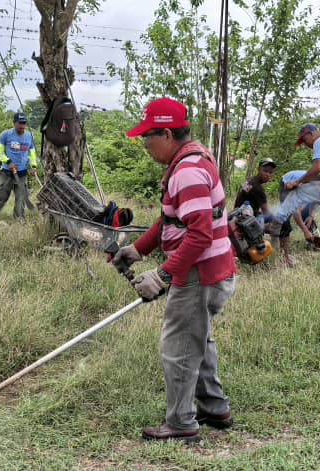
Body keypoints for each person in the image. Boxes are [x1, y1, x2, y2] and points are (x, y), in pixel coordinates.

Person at [110, 97, 238, 443]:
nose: (145, 145)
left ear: (166, 133)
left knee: (179, 345)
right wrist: (137, 250)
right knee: (199, 338)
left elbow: (199, 234)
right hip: (213, 269)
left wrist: (164, 275)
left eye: (147, 138)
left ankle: (182, 424)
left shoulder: (188, 172)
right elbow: (171, 220)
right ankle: (214, 407)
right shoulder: (192, 159)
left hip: (200, 273)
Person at [265, 124, 320, 260]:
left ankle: (276, 224)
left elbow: (317, 168)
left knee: (298, 192)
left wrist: (297, 183)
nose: (305, 145)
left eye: (304, 140)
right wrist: (304, 182)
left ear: (312, 133)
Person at [0, 112, 38, 220]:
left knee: (21, 197)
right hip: (7, 171)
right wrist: (8, 162)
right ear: (14, 123)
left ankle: (19, 219)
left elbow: (32, 153)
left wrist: (34, 166)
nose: (22, 125)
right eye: (20, 123)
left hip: (22, 173)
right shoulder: (6, 134)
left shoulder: (30, 136)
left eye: (24, 123)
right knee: (3, 194)